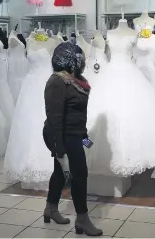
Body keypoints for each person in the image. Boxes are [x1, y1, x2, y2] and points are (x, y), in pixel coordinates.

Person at [43, 42, 103, 237]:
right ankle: (82, 219)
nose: (82, 62)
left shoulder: (77, 80)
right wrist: (58, 149)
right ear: (68, 60)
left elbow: (79, 114)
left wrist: (86, 139)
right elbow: (54, 118)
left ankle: (50, 209)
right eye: (79, 59)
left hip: (76, 135)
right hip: (62, 135)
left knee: (60, 173)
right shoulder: (57, 81)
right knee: (79, 174)